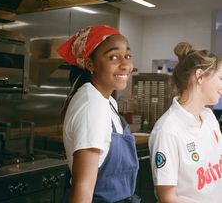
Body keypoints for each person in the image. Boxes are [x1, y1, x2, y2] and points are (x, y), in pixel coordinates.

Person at [57, 25, 140, 203]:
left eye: (127, 56)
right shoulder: (92, 105)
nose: (125, 64)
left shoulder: (107, 101)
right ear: (90, 64)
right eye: (113, 57)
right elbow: (83, 188)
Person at [149, 42, 222, 203]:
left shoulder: (209, 118)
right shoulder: (167, 130)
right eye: (220, 78)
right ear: (200, 76)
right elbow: (167, 198)